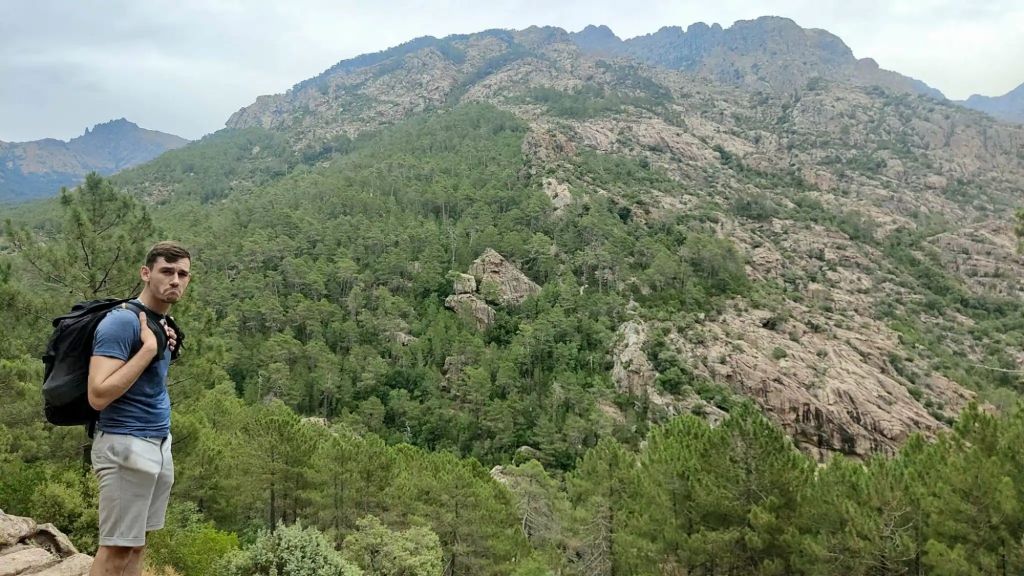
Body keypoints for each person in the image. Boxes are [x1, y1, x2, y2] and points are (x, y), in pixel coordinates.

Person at [87, 241, 191, 576]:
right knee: (116, 549)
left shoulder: (160, 322)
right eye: (167, 271)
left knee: (136, 546)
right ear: (146, 274)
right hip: (124, 444)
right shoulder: (122, 323)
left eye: (182, 274)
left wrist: (160, 343)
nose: (175, 280)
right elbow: (98, 395)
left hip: (157, 443)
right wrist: (147, 351)